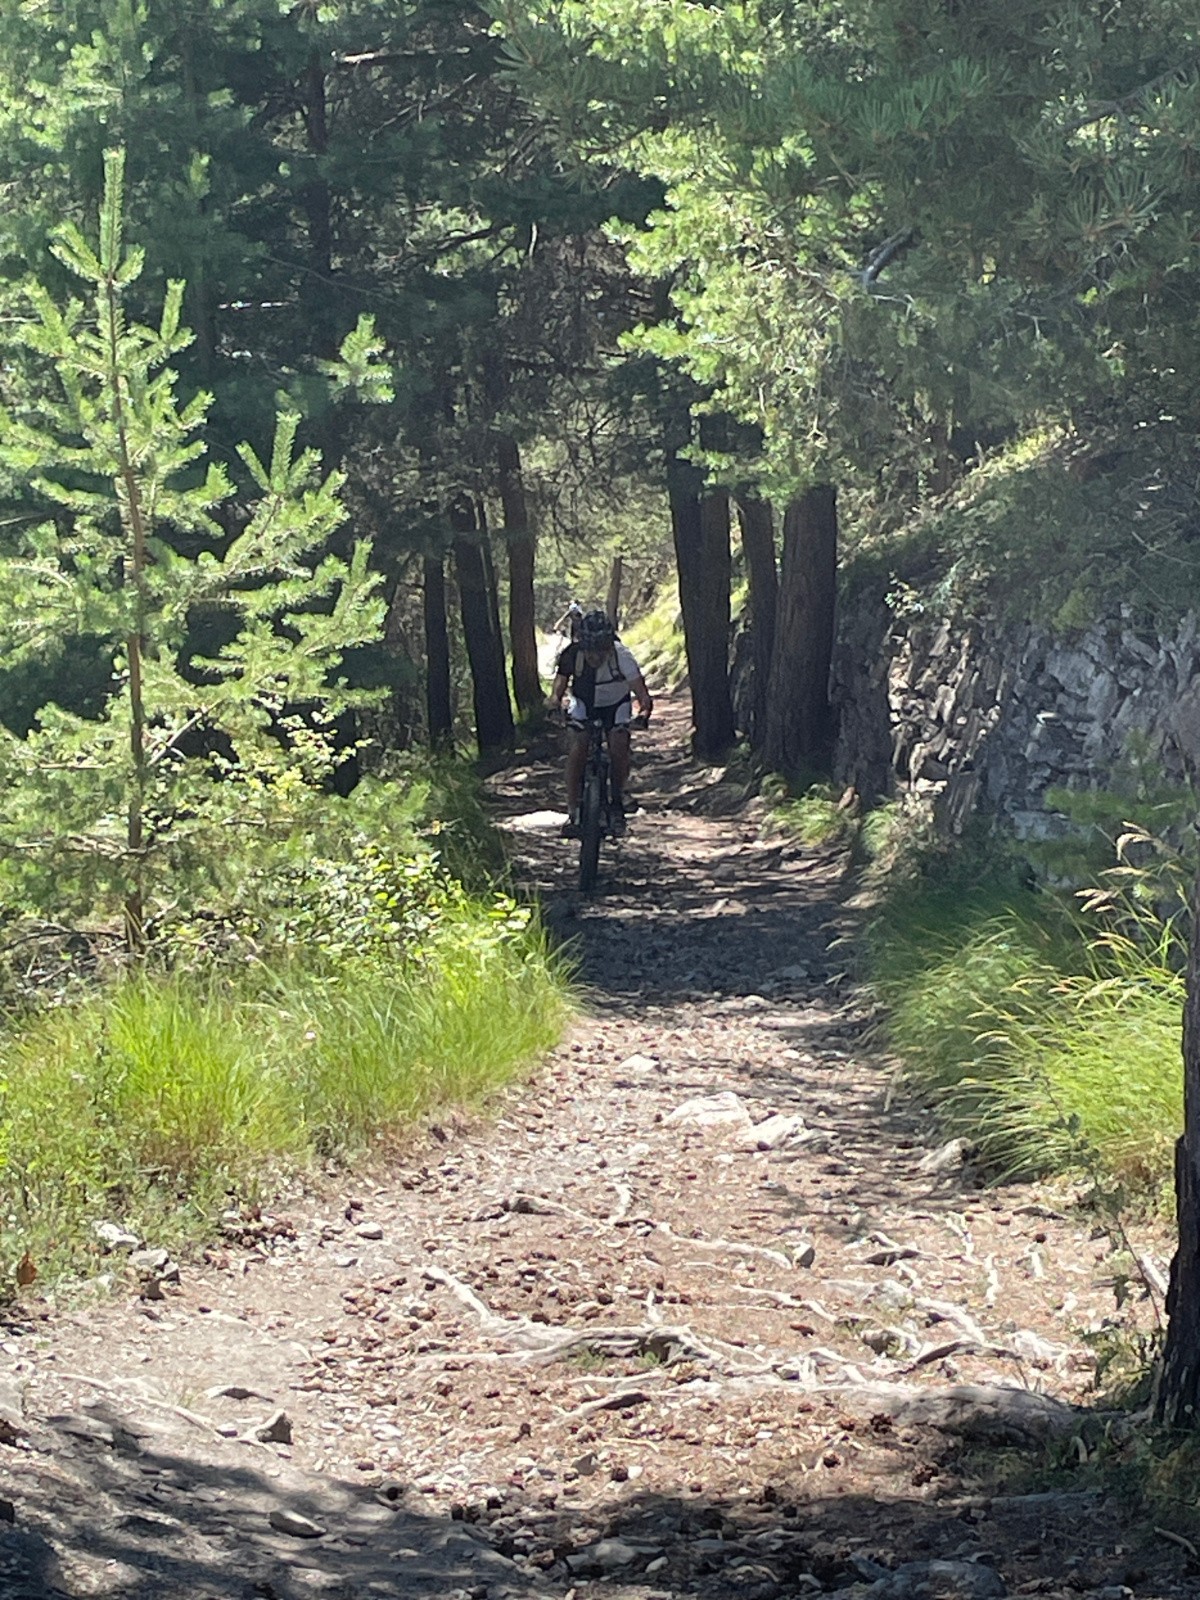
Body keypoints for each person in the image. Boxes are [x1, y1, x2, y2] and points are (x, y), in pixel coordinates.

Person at [549, 609, 653, 838]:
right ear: (582, 644)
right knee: (578, 747)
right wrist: (555, 703)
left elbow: (642, 695)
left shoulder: (622, 656)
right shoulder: (572, 654)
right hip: (584, 703)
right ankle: (573, 810)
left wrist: (643, 713)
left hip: (616, 705)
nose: (595, 655)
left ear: (609, 645)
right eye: (590, 649)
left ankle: (617, 800)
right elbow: (559, 685)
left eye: (601, 649)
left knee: (619, 744)